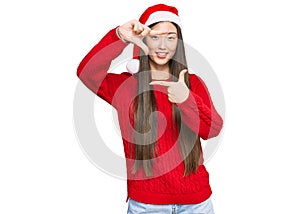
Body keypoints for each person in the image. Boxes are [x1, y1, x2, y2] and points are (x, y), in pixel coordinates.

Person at [77, 4, 223, 214]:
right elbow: (86, 72)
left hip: (196, 204)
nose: (163, 45)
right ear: (143, 40)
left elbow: (213, 130)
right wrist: (119, 36)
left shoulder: (192, 84)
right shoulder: (125, 87)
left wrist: (186, 99)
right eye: (155, 37)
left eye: (171, 37)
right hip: (146, 205)